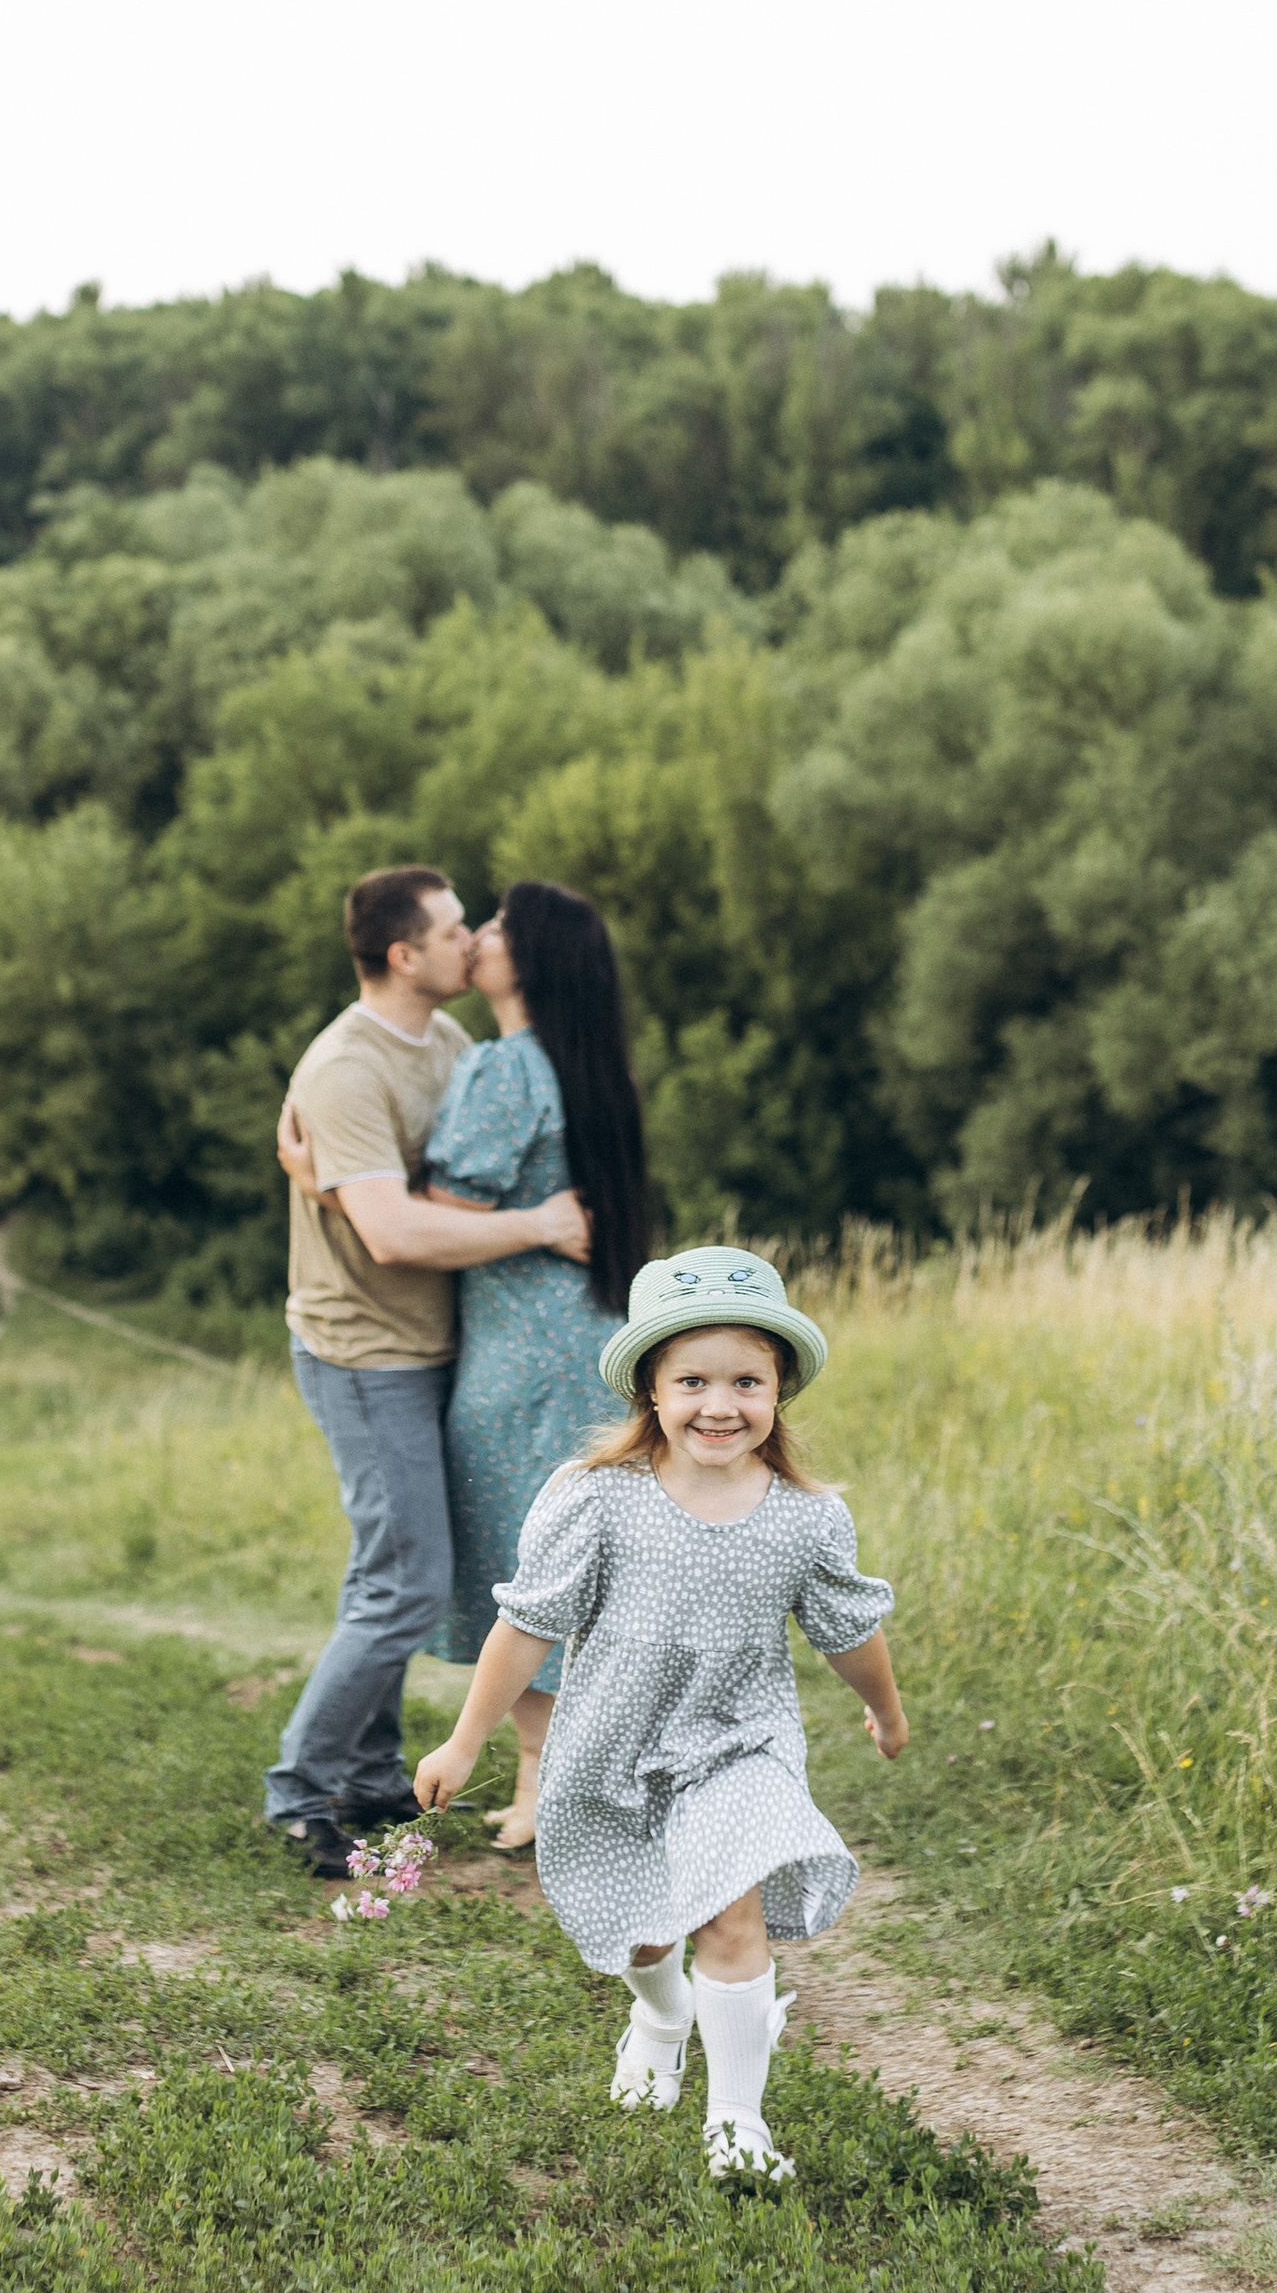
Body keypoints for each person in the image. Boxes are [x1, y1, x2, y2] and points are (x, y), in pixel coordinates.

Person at [413, 1244, 909, 2188]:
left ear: (779, 1391)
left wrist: (884, 1712)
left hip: (739, 1745)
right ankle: (659, 2014)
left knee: (731, 1918)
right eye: (692, 1380)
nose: (719, 1405)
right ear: (650, 1389)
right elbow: (526, 1628)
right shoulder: (597, 1500)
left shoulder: (806, 1518)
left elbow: (850, 1630)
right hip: (613, 1745)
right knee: (644, 1930)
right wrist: (465, 1737)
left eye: (746, 1381)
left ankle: (737, 2124)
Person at [281, 879, 653, 1851]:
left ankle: (535, 1789)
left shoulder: (485, 1063)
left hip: (510, 1354)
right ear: (407, 954)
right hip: (559, 1337)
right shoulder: (576, 1062)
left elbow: (430, 1213)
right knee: (550, 1568)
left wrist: (322, 1180)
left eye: (488, 929)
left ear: (522, 962)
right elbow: (404, 1222)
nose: (474, 940)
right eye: (461, 926)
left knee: (517, 1573)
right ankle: (524, 1785)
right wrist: (329, 1180)